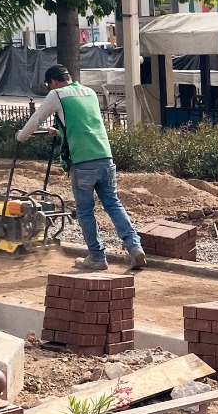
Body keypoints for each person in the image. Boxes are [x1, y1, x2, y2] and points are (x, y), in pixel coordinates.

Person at [18, 64, 146, 271]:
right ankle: (135, 247)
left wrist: (21, 136)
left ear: (52, 82)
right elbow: (83, 126)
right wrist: (58, 132)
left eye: (49, 86)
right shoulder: (88, 92)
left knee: (85, 210)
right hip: (105, 158)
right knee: (113, 204)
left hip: (83, 163)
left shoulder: (57, 95)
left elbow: (36, 119)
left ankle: (96, 257)